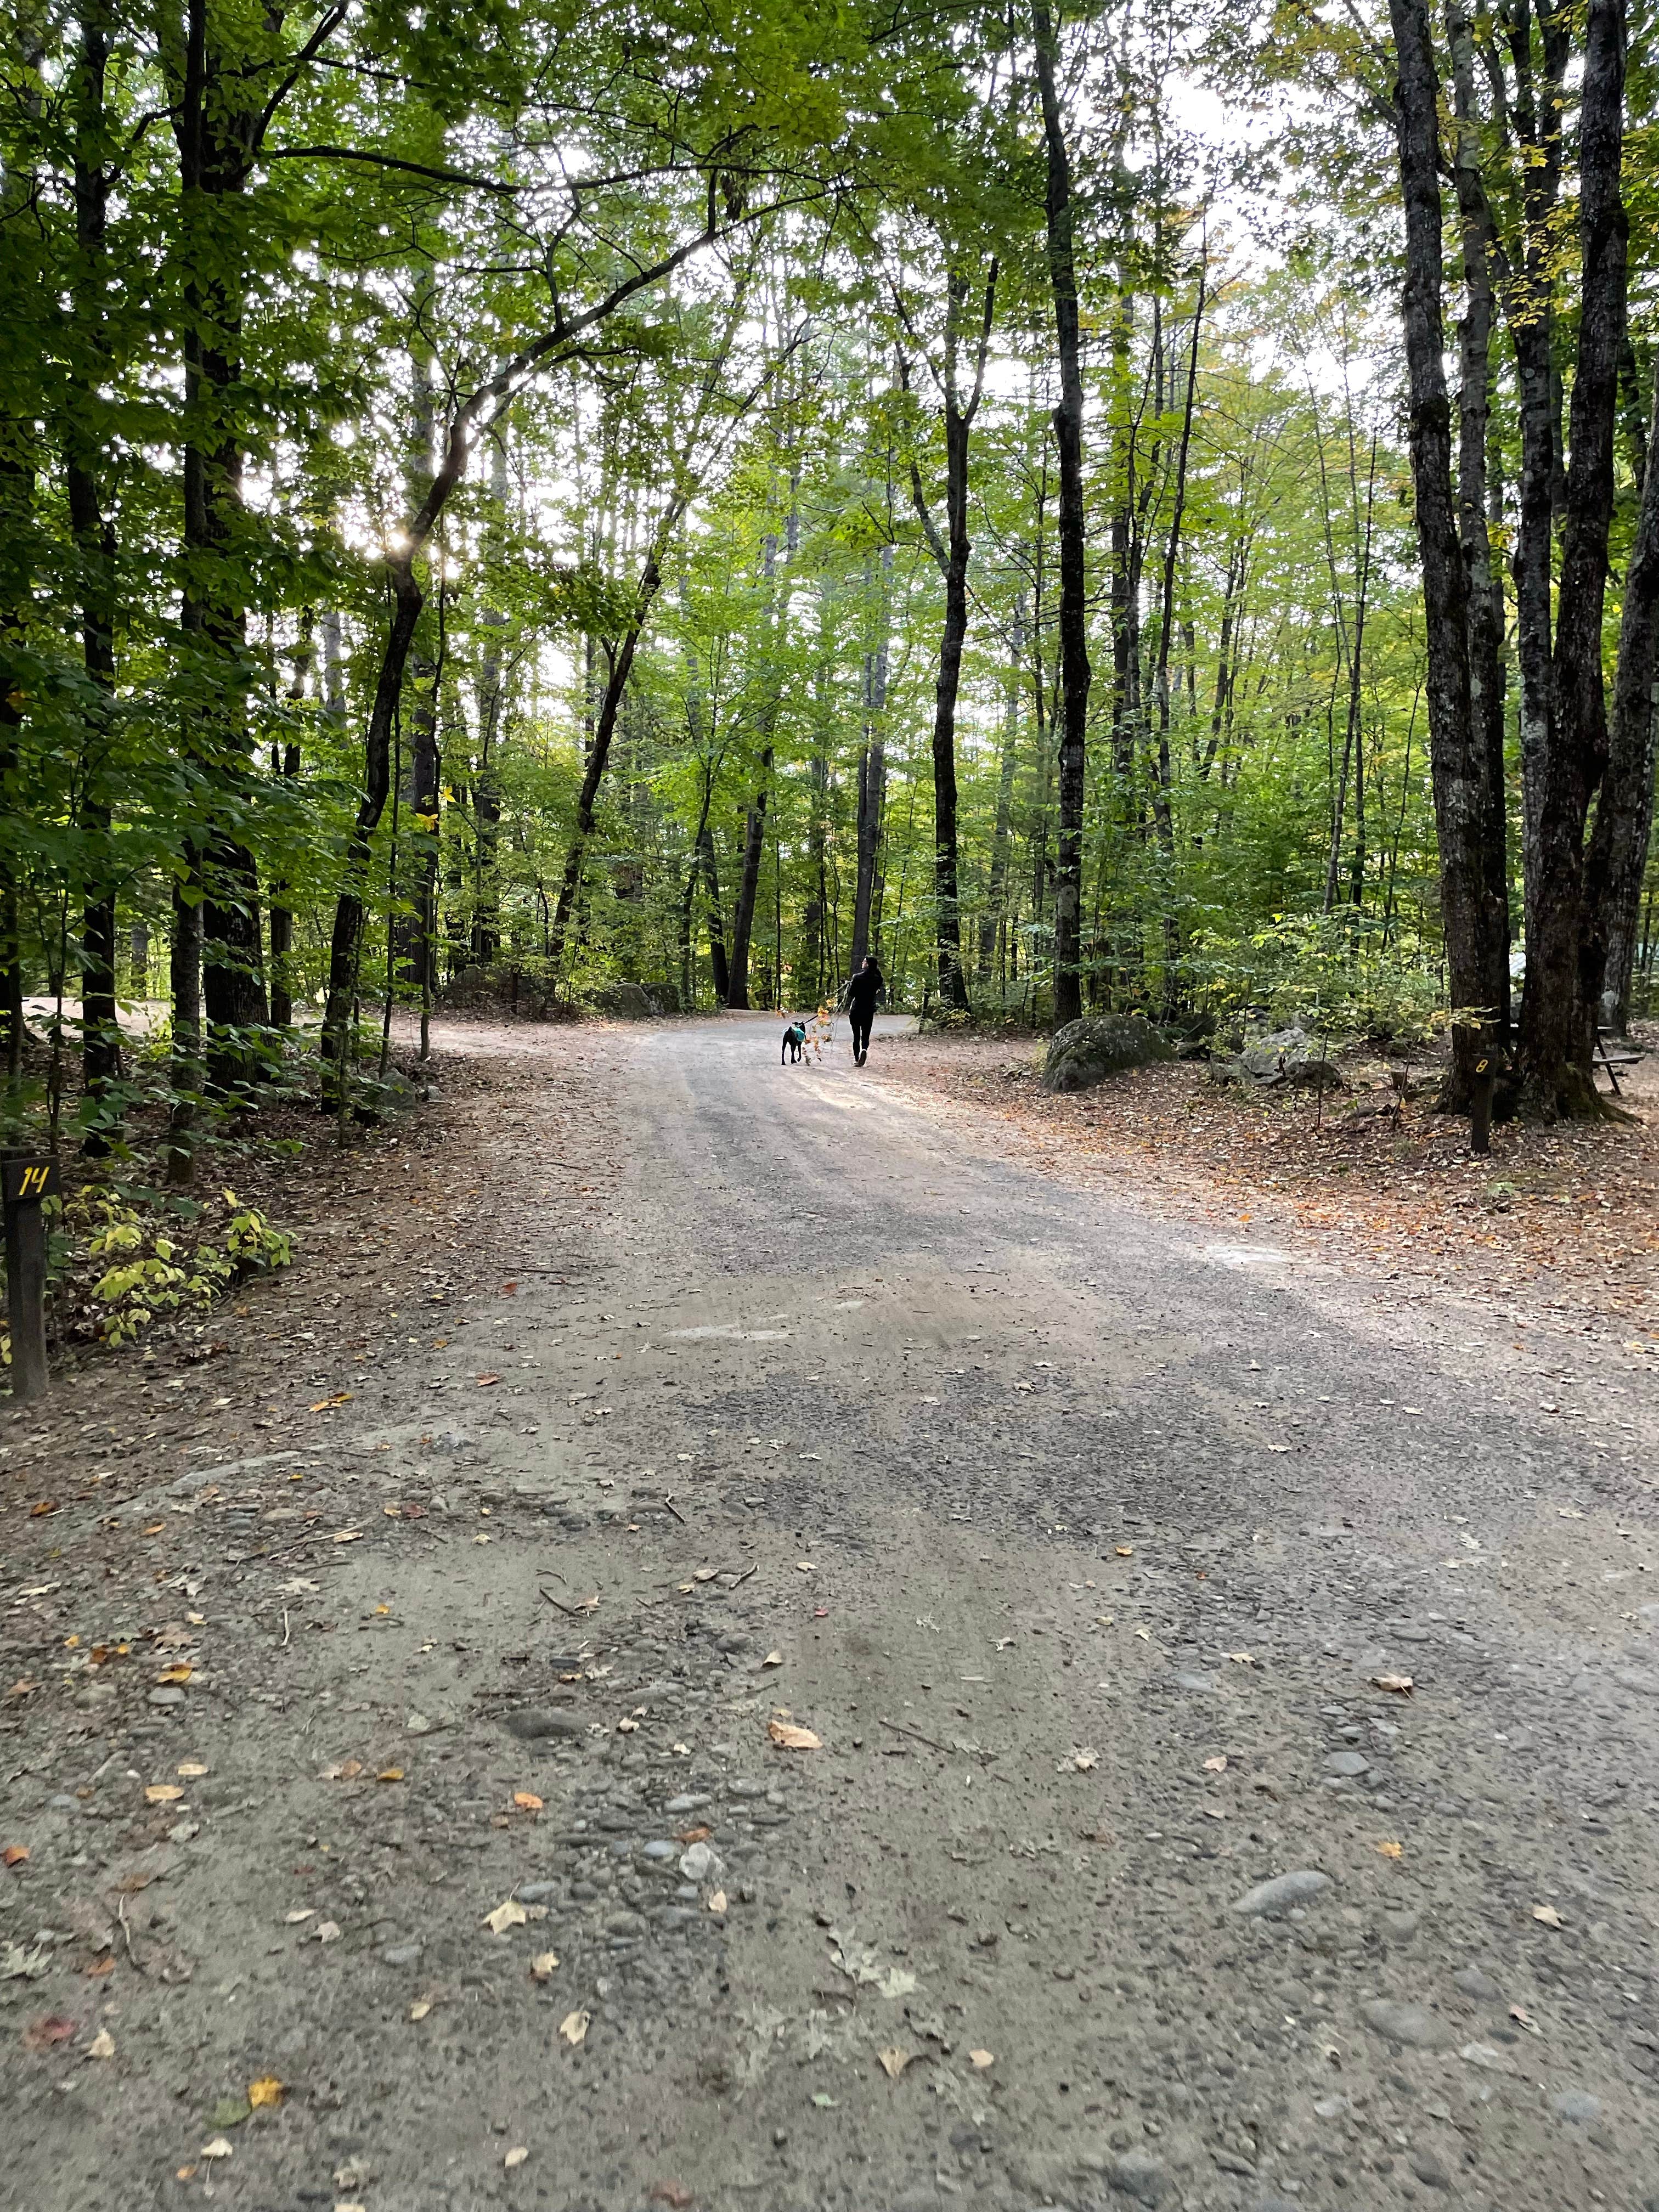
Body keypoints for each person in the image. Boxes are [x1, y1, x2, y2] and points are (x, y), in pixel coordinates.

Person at [843, 954, 884, 1065]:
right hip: (869, 1009)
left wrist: (850, 985)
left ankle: (857, 1059)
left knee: (856, 1036)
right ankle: (864, 1050)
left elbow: (852, 994)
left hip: (857, 1009)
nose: (862, 963)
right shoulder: (878, 979)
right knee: (865, 1035)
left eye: (864, 961)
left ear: (868, 964)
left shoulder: (857, 977)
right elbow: (878, 978)